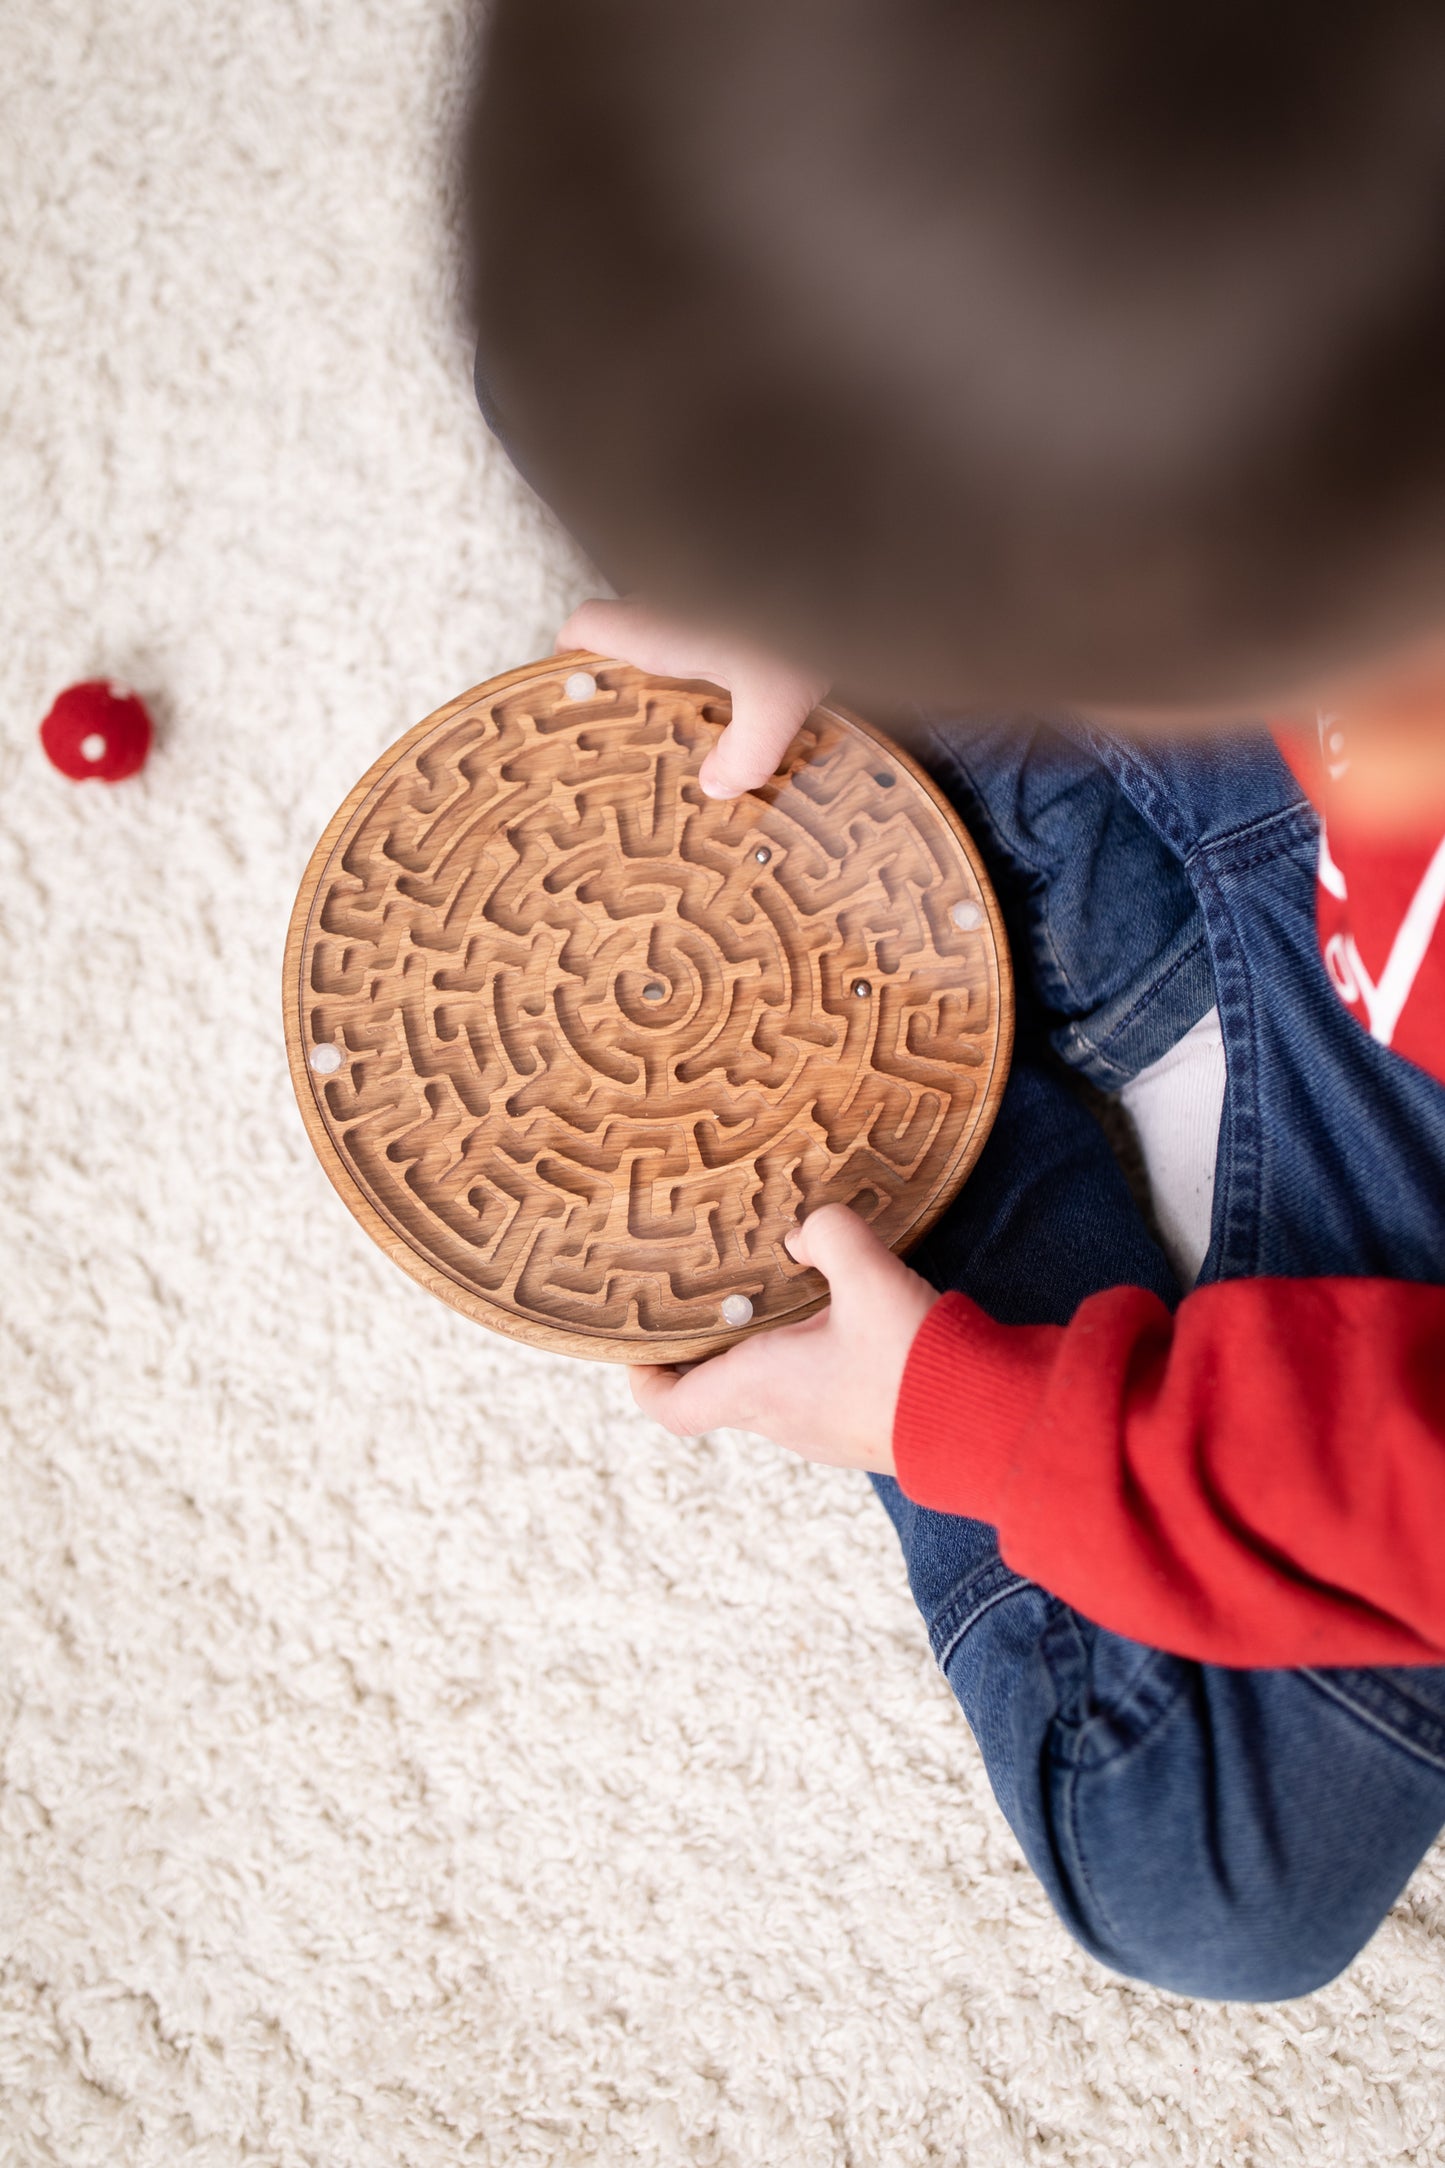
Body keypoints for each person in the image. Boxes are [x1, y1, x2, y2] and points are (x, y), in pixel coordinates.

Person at [461, 0, 1445, 1998]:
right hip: (1351, 756)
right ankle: (951, 779)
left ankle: (930, 1123)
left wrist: (971, 1410)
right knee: (753, 319)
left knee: (1204, 1866)